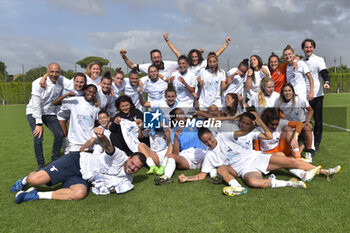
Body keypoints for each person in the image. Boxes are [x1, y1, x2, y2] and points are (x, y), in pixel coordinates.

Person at [179, 127, 341, 195]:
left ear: (212, 135)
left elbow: (241, 132)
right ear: (202, 143)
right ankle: (291, 183)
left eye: (209, 138)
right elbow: (201, 175)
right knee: (253, 182)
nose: (209, 142)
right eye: (205, 142)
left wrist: (253, 125)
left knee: (289, 162)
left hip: (255, 157)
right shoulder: (209, 156)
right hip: (244, 171)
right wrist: (187, 178)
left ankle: (325, 171)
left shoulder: (225, 135)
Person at [10, 127, 146, 204]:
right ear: (129, 158)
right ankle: (24, 181)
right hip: (75, 161)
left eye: (136, 168)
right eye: (133, 163)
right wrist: (101, 136)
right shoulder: (120, 156)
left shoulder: (128, 180)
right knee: (35, 180)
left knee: (80, 193)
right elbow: (108, 146)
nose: (132, 167)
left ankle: (35, 195)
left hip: (83, 178)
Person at [26, 63, 64, 170]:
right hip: (33, 112)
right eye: (52, 71)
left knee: (59, 135)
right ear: (47, 72)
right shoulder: (38, 83)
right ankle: (41, 164)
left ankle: (55, 160)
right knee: (38, 138)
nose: (54, 74)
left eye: (57, 72)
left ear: (60, 73)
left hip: (49, 113)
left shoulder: (60, 84)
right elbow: (36, 104)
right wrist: (38, 123)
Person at [154, 108, 207, 185]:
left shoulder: (194, 123)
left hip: (201, 154)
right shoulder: (174, 132)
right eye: (180, 113)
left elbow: (211, 118)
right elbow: (176, 154)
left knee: (212, 156)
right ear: (175, 119)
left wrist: (198, 112)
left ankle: (214, 176)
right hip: (187, 159)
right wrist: (175, 138)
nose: (183, 115)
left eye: (183, 112)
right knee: (171, 156)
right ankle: (166, 177)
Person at [301, 38, 331, 152]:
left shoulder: (319, 60)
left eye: (310, 47)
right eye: (306, 47)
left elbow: (324, 73)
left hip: (317, 96)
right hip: (304, 97)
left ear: (313, 48)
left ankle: (316, 144)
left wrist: (327, 82)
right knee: (304, 121)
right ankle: (305, 142)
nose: (308, 49)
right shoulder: (300, 62)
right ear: (303, 49)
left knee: (318, 121)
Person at [163, 33, 231, 77]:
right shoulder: (187, 65)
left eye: (196, 56)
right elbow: (176, 52)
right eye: (192, 57)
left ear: (199, 57)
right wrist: (167, 40)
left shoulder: (203, 63)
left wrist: (226, 44)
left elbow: (216, 54)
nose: (194, 59)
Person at [278, 83, 314, 161]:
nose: (287, 93)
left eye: (289, 90)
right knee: (291, 152)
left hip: (303, 122)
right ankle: (302, 144)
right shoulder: (280, 102)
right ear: (282, 93)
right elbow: (280, 113)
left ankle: (308, 152)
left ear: (293, 92)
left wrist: (308, 121)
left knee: (307, 128)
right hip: (291, 125)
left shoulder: (300, 99)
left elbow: (310, 110)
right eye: (285, 91)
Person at [61, 84, 100, 153]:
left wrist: (93, 137)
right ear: (85, 91)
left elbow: (97, 124)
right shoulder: (75, 101)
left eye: (94, 93)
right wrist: (66, 95)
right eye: (89, 91)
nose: (91, 94)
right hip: (75, 141)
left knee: (88, 163)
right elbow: (55, 103)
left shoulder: (96, 107)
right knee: (74, 162)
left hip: (88, 141)